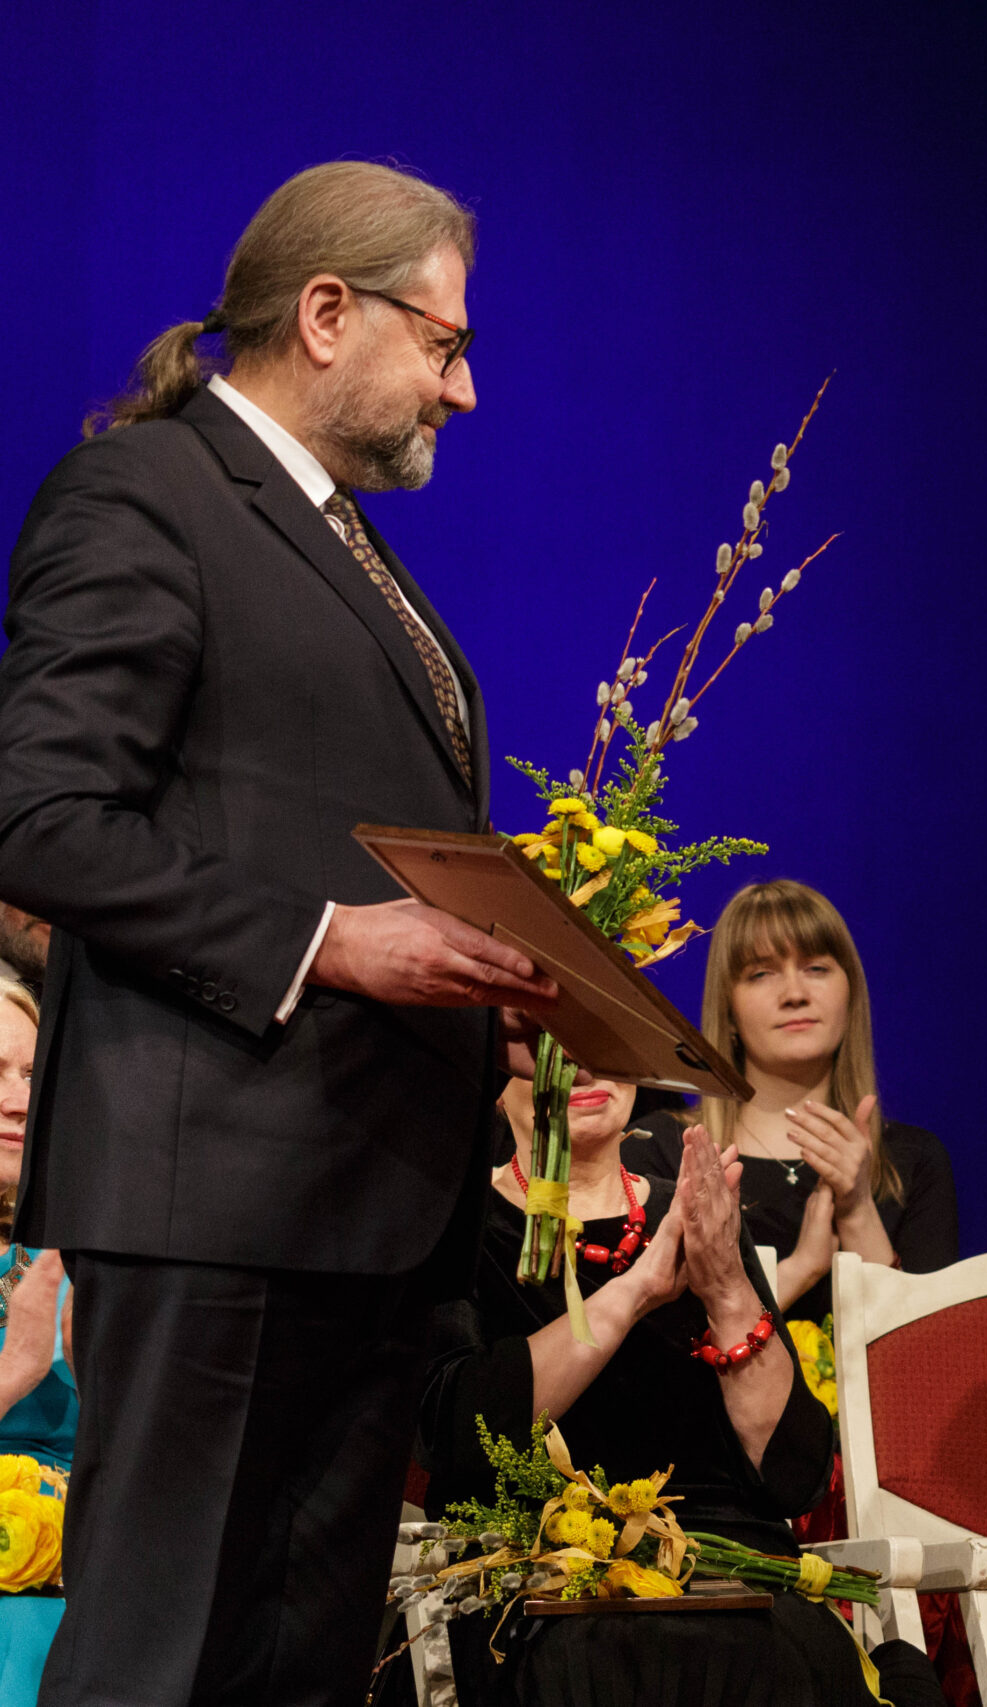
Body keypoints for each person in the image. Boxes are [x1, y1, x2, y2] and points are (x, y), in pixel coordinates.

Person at [0, 162, 561, 1707]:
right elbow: (41, 816)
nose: (463, 387)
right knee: (158, 1664)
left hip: (364, 1217)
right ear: (325, 313)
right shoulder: (148, 492)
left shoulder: (341, 539)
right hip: (218, 1206)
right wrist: (333, 943)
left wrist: (480, 988)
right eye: (444, 343)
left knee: (296, 1676)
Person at [396, 1076, 941, 1707]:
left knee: (763, 1655)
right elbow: (459, 1433)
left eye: (607, 1045)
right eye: (558, 1043)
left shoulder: (697, 1213)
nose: (584, 1069)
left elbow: (794, 1476)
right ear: (499, 1066)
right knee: (608, 1662)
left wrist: (729, 1288)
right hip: (539, 1587)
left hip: (732, 1575)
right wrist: (636, 1290)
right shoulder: (458, 1222)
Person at [625, 880, 957, 1316]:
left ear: (851, 993)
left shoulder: (914, 1160)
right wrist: (800, 1270)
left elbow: (928, 1348)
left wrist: (857, 1211)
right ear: (728, 1011)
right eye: (761, 974)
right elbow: (653, 1343)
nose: (795, 995)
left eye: (816, 968)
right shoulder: (661, 1152)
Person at [0, 979, 73, 1706]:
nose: (19, 1100)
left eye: (32, 1072)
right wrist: (15, 1369)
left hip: (93, 1592)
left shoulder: (83, 1253)